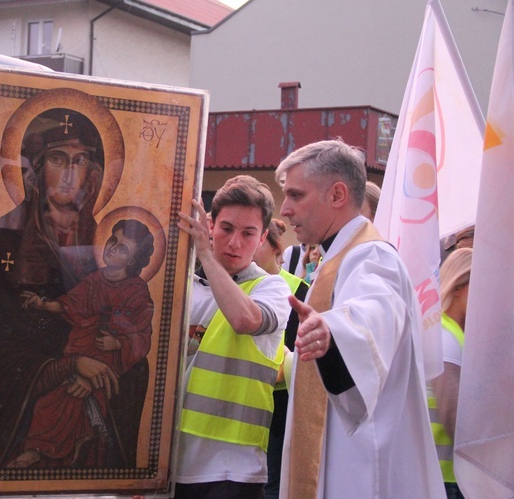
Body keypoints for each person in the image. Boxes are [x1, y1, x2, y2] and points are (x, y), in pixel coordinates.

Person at [0, 107, 143, 471]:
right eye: (56, 159)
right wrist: (64, 367)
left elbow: (134, 335)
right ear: (32, 171)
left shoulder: (109, 248)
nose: (68, 175)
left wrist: (106, 364)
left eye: (79, 161)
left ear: (93, 175)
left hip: (92, 422)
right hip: (9, 424)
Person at [275, 139, 444, 498]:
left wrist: (333, 331)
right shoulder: (334, 257)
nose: (285, 210)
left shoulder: (371, 257)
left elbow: (373, 311)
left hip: (364, 465)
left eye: (295, 195)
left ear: (337, 194)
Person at [174, 175, 292, 499]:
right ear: (210, 225)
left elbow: (244, 320)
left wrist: (207, 256)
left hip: (234, 469)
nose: (234, 243)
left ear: (263, 236)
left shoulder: (272, 288)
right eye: (226, 229)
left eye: (248, 233)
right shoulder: (180, 284)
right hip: (170, 462)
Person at [8, 219, 155, 469]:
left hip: (109, 363)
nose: (112, 248)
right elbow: (69, 304)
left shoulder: (137, 291)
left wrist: (118, 343)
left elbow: (142, 335)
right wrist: (42, 304)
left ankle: (45, 449)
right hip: (79, 352)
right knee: (49, 403)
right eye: (113, 240)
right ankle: (37, 449)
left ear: (132, 261)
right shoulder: (95, 279)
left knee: (76, 404)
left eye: (122, 248)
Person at [253, 219, 308, 499]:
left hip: (281, 403)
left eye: (257, 242)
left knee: (272, 482)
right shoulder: (240, 284)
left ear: (276, 249)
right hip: (249, 400)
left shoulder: (298, 290)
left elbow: (296, 348)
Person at [428, 248, 472, 499]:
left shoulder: (446, 332)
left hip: (446, 472)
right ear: (457, 286)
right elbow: (454, 416)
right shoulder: (446, 339)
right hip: (447, 476)